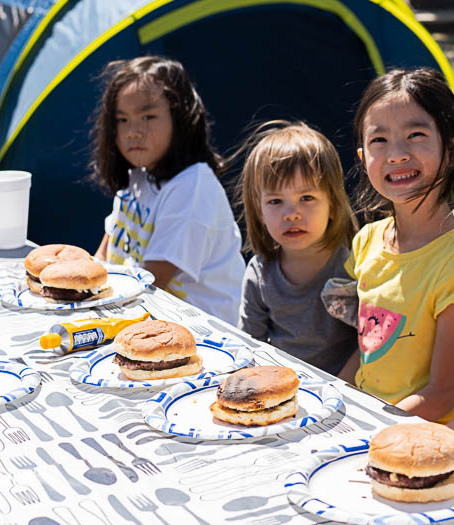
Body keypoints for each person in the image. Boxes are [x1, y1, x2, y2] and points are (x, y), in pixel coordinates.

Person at [338, 68, 454, 424]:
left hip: (420, 441)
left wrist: (367, 426)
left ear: (453, 150)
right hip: (365, 424)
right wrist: (335, 398)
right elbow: (370, 347)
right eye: (379, 140)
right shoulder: (367, 241)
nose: (397, 154)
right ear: (362, 157)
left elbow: (442, 394)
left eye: (415, 135)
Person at [90, 56, 244, 324]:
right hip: (137, 314)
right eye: (122, 120)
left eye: (148, 117)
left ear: (181, 118)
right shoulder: (138, 173)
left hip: (201, 336)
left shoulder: (192, 186)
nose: (133, 132)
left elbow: (151, 282)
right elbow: (104, 254)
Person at [236, 120, 358, 375]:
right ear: (259, 212)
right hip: (282, 387)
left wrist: (341, 387)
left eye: (306, 198)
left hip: (348, 392)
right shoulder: (260, 274)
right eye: (276, 201)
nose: (291, 214)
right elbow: (249, 346)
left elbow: (369, 345)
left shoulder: (354, 268)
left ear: (333, 204)